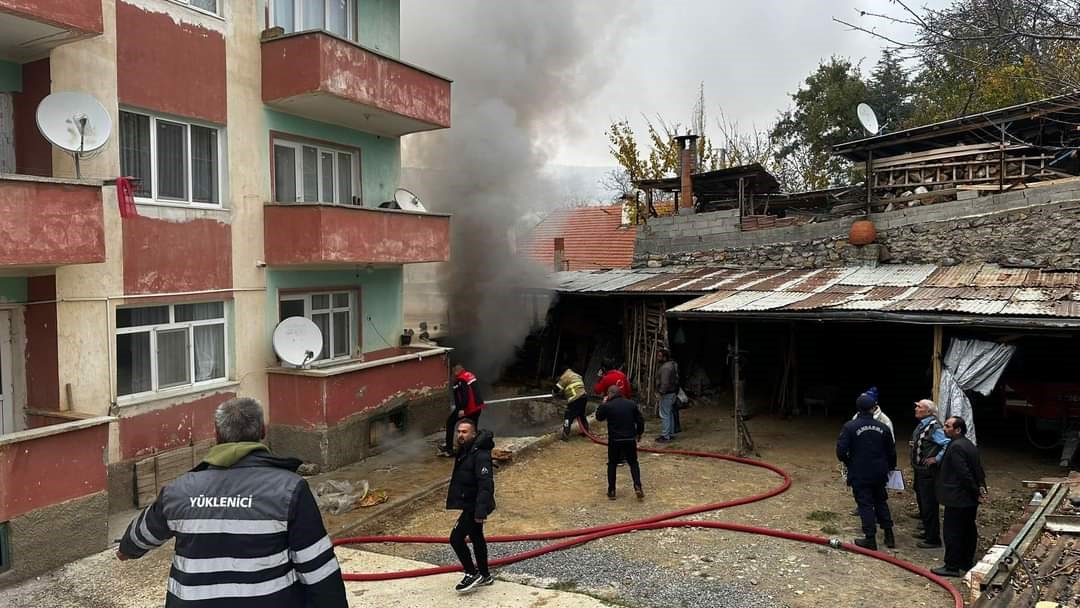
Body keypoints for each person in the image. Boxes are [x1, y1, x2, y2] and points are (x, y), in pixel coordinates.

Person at [116, 397, 347, 607]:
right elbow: (318, 570)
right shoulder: (290, 489)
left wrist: (127, 550)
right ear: (263, 431)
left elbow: (139, 536)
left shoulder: (178, 491)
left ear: (217, 435)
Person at [837, 392, 897, 551]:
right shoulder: (883, 427)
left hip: (860, 472)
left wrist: (850, 463)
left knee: (864, 504)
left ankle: (870, 538)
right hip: (879, 472)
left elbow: (841, 451)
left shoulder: (850, 426)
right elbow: (892, 452)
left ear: (858, 408)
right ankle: (889, 535)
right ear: (873, 408)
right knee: (880, 501)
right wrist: (890, 468)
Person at [932, 416, 988, 578]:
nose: (944, 428)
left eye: (948, 426)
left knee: (953, 532)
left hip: (958, 498)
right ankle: (965, 561)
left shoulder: (956, 447)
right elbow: (978, 470)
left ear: (958, 430)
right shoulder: (968, 444)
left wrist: (976, 491)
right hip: (967, 498)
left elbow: (964, 474)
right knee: (968, 529)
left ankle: (952, 565)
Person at [446, 418, 496, 593]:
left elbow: (486, 484)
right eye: (458, 431)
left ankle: (471, 572)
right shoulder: (465, 450)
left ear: (473, 434)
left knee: (455, 538)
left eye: (464, 432)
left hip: (475, 506)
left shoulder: (480, 455)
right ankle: (485, 575)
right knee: (476, 537)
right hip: (469, 503)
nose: (460, 435)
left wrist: (480, 511)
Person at [911, 399, 950, 549]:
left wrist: (937, 458)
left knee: (929, 504)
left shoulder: (934, 427)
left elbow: (947, 443)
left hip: (928, 472)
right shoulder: (924, 425)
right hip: (920, 470)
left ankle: (933, 538)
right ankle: (927, 531)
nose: (916, 408)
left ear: (928, 412)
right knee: (922, 500)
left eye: (919, 407)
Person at [596, 384, 645, 500]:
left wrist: (603, 404)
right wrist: (639, 433)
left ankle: (612, 490)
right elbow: (640, 420)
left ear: (610, 394)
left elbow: (599, 417)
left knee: (612, 464)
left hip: (615, 440)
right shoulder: (631, 404)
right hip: (629, 439)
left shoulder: (608, 406)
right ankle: (637, 485)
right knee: (633, 463)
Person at [440, 364, 485, 456]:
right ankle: (473, 449)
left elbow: (464, 396)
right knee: (473, 428)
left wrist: (461, 409)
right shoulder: (469, 375)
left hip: (468, 408)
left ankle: (449, 449)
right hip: (478, 406)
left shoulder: (460, 380)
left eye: (452, 373)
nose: (452, 376)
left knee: (450, 422)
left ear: (456, 372)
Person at [554, 365, 589, 439]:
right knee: (581, 415)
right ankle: (585, 431)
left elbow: (556, 389)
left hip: (575, 398)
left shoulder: (565, 376)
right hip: (584, 396)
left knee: (568, 416)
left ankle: (565, 434)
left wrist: (554, 393)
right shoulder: (576, 375)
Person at [655, 349, 679, 442]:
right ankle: (670, 433)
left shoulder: (665, 368)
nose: (658, 358)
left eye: (660, 356)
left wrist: (660, 393)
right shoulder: (672, 365)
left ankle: (665, 435)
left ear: (665, 357)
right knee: (669, 413)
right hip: (672, 392)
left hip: (667, 393)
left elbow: (665, 383)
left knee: (665, 414)